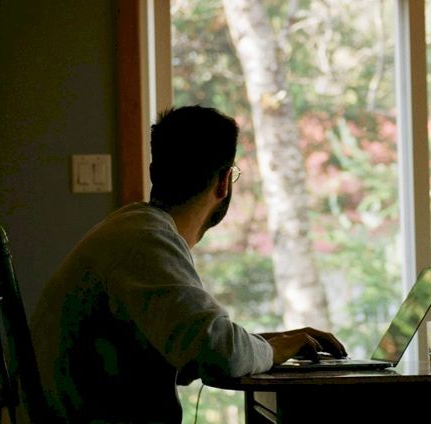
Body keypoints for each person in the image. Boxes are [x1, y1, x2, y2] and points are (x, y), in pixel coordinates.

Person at [31, 105, 347, 423]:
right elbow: (220, 354)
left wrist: (270, 343)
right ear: (224, 182)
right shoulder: (145, 240)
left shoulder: (132, 230)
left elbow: (192, 351)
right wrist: (273, 351)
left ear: (153, 173)